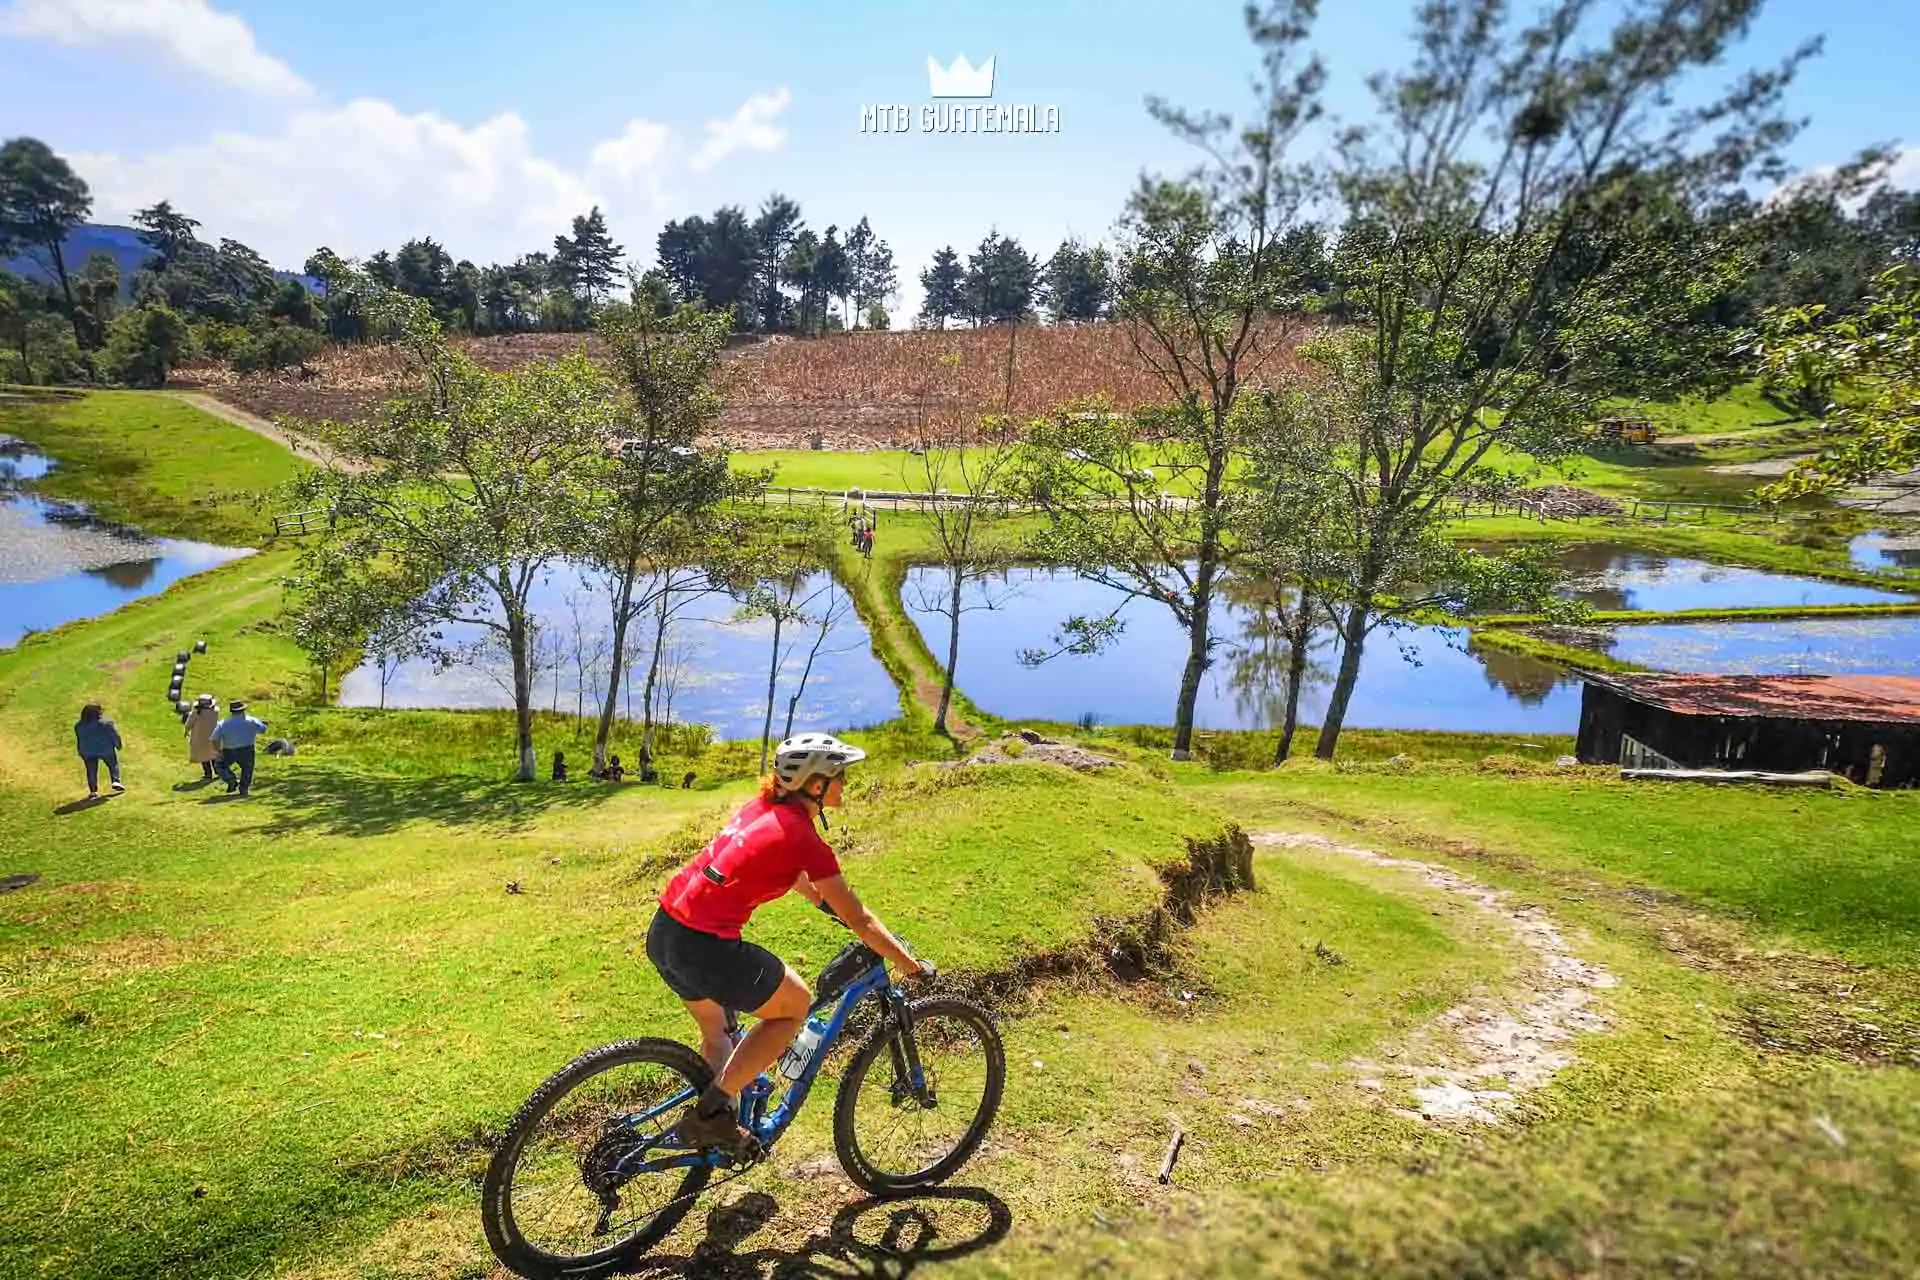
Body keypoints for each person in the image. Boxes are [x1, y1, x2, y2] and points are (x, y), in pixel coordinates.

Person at [647, 732, 933, 1151]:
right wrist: (912, 965)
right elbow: (861, 919)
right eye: (839, 776)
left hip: (665, 931)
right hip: (705, 948)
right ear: (815, 786)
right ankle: (710, 1116)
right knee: (794, 1005)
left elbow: (784, 867)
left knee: (717, 1033)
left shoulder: (762, 809)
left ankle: (718, 1127)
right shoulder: (804, 837)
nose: (844, 784)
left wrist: (821, 901)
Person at [211, 700, 270, 797]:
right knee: (247, 769)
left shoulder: (223, 723)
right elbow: (262, 730)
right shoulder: (252, 720)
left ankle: (230, 779)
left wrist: (218, 751)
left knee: (220, 766)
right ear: (243, 710)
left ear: (231, 711)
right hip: (247, 748)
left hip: (229, 749)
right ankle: (244, 789)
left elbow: (214, 738)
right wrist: (263, 724)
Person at [73, 703, 125, 797]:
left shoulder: (79, 726)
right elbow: (114, 735)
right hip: (105, 749)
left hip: (87, 751)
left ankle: (93, 791)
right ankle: (115, 781)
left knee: (91, 770)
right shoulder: (106, 724)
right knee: (113, 764)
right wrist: (118, 744)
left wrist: (81, 751)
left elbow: (80, 738)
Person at [185, 693, 221, 781]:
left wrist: (186, 732)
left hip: (199, 737)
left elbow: (189, 724)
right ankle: (218, 771)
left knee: (203, 756)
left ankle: (208, 774)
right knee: (214, 754)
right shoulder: (215, 711)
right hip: (213, 736)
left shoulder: (196, 714)